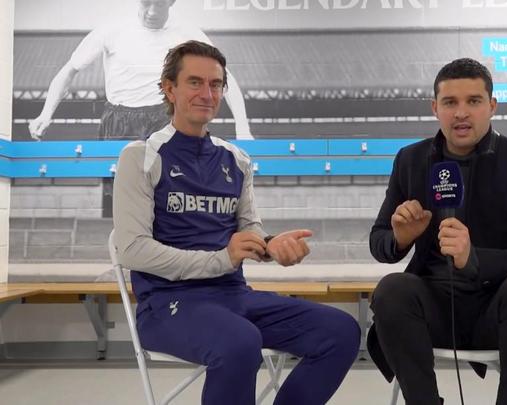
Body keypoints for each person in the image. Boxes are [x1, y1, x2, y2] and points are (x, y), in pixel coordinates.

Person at [112, 40, 360, 405]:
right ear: (169, 88)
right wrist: (220, 259)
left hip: (234, 297)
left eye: (215, 84)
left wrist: (270, 246)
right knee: (241, 342)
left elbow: (249, 230)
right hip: (167, 305)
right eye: (195, 82)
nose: (207, 94)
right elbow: (132, 250)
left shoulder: (236, 159)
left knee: (341, 331)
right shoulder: (141, 157)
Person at [368, 58, 507, 405]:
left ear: (492, 106)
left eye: (474, 101)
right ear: (435, 108)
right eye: (450, 102)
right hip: (434, 309)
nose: (461, 113)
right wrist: (401, 237)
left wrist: (474, 258)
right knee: (392, 289)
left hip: (502, 309)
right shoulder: (411, 160)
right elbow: (379, 242)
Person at [29, 0, 252, 141]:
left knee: (170, 192)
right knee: (120, 194)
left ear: (171, 2)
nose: (152, 11)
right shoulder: (112, 28)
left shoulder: (186, 32)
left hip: (165, 117)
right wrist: (45, 114)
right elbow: (68, 72)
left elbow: (224, 77)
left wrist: (242, 127)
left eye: (160, 4)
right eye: (147, 2)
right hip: (119, 120)